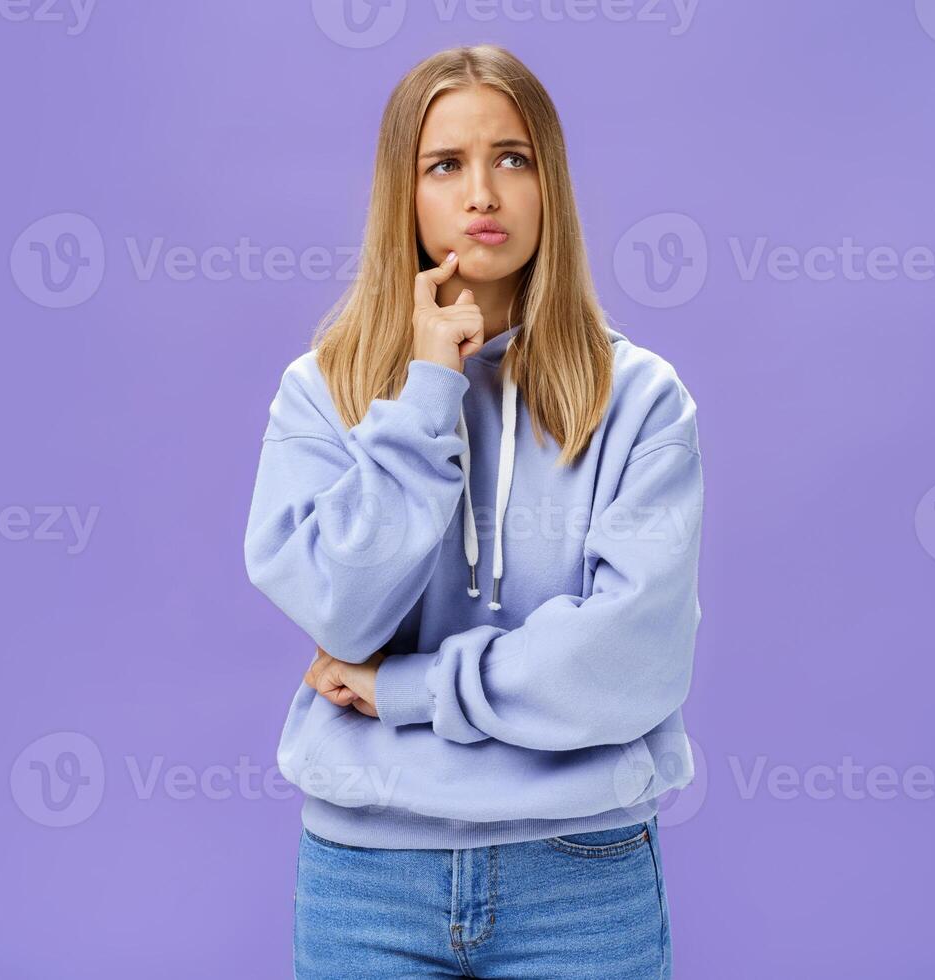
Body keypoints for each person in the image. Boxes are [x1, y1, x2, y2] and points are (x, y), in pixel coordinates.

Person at [243, 44, 703, 978]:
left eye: (512, 158)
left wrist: (406, 691)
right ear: (402, 194)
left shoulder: (640, 400)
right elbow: (342, 612)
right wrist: (422, 397)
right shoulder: (320, 393)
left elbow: (629, 657)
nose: (482, 193)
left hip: (581, 874)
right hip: (366, 875)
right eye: (445, 164)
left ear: (550, 186)